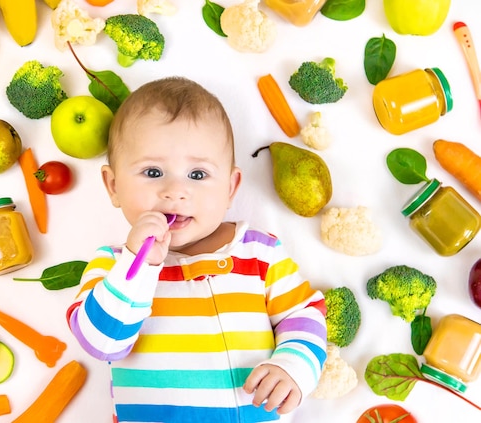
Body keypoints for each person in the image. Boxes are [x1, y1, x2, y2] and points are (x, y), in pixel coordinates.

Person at [67, 76, 327, 423]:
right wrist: (138, 265)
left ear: (231, 187)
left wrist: (293, 367)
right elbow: (101, 343)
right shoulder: (114, 265)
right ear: (113, 186)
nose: (175, 191)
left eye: (198, 175)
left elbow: (304, 315)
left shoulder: (260, 254)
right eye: (153, 171)